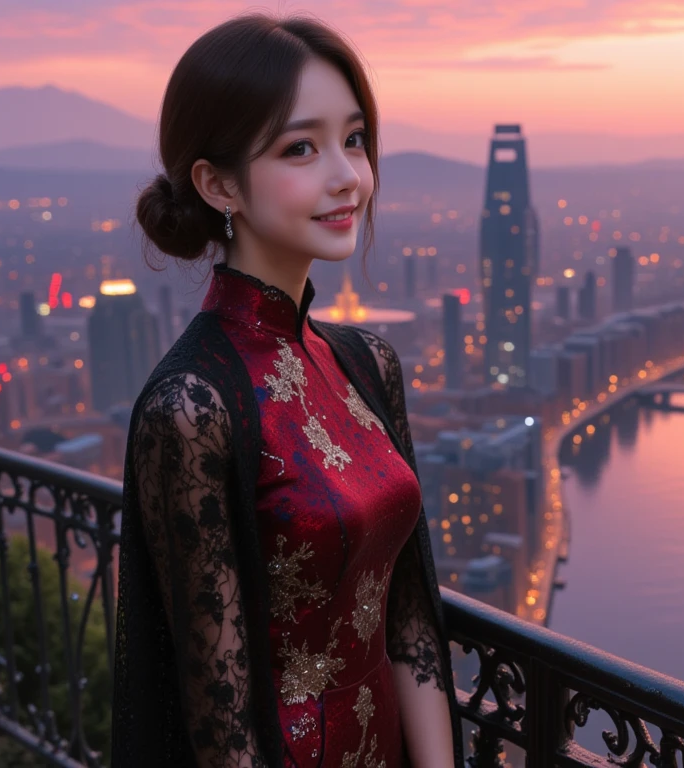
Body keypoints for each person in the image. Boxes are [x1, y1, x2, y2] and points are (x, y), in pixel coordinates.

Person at [111, 14, 463, 768]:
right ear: (218, 183)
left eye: (356, 139)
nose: (347, 175)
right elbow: (219, 718)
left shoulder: (368, 363)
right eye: (300, 147)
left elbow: (409, 615)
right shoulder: (192, 407)